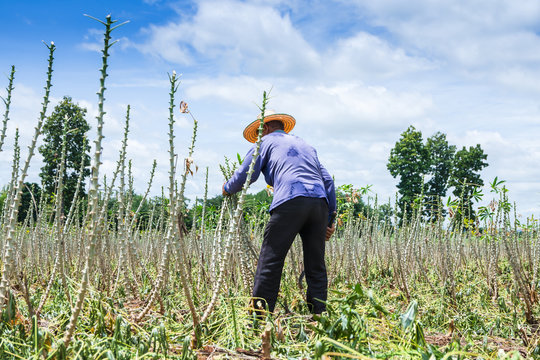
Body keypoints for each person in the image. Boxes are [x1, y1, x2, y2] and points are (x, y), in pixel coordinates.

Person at [222, 111, 336, 314]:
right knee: (316, 264)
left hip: (290, 199)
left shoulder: (264, 143)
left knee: (271, 261)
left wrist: (227, 188)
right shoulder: (306, 145)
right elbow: (327, 181)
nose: (258, 138)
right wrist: (329, 220)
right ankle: (320, 316)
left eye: (259, 134)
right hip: (319, 203)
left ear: (264, 129)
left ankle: (259, 317)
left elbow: (246, 174)